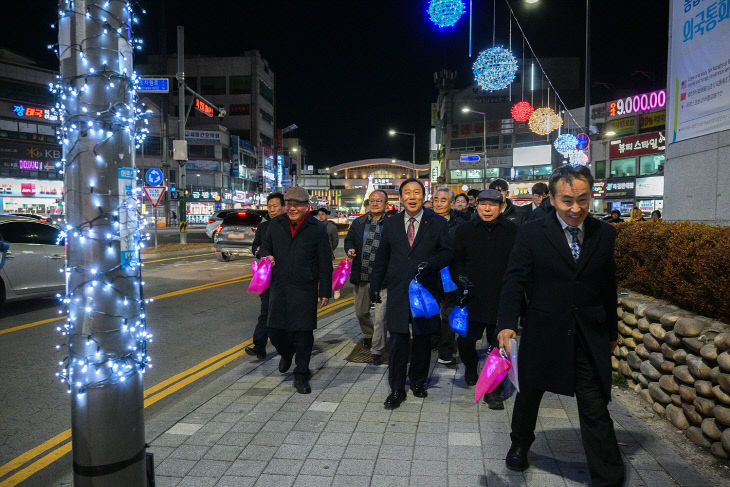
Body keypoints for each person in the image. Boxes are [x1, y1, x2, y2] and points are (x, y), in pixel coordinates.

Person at [496, 165, 624, 485]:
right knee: (529, 395)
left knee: (595, 402)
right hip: (544, 330)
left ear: (591, 196)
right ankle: (520, 444)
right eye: (567, 200)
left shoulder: (604, 233)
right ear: (551, 199)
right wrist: (507, 324)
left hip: (588, 333)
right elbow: (515, 280)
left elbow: (608, 286)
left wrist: (611, 331)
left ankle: (607, 473)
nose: (576, 208)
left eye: (583, 199)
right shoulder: (532, 232)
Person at [370, 178, 453, 409]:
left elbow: (447, 253)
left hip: (425, 290)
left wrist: (430, 264)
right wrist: (375, 286)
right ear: (401, 197)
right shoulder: (390, 223)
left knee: (423, 339)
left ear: (424, 196)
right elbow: (382, 258)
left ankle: (418, 381)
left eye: (417, 192)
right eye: (407, 192)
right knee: (397, 339)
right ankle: (396, 388)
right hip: (397, 290)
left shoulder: (436, 222)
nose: (412, 196)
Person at [260, 187, 333, 394]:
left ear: (306, 207)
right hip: (279, 286)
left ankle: (301, 374)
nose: (292, 208)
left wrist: (324, 291)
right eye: (289, 203)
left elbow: (325, 262)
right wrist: (266, 255)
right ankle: (286, 352)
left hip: (305, 288)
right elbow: (264, 248)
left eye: (297, 204)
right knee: (274, 330)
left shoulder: (317, 228)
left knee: (303, 334)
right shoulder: (275, 225)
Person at [451, 189, 517, 409]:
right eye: (483, 204)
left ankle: (493, 389)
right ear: (476, 205)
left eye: (493, 205)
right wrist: (461, 279)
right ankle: (470, 367)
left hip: (501, 298)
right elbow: (456, 261)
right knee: (466, 340)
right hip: (472, 296)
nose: (487, 209)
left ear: (501, 206)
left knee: (498, 346)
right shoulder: (465, 230)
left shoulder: (513, 231)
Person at [344, 189, 389, 364]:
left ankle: (377, 350)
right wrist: (350, 248)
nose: (375, 203)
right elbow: (349, 240)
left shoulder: (392, 224)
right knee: (361, 312)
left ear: (386, 204)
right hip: (362, 274)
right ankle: (369, 335)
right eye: (372, 200)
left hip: (383, 278)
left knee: (380, 316)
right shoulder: (359, 222)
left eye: (379, 201)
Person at [431, 186, 469, 366]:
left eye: (443, 200)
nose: (438, 204)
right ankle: (433, 342)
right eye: (436, 200)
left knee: (447, 313)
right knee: (429, 312)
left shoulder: (460, 224)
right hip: (429, 274)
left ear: (452, 203)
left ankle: (446, 350)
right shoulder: (425, 220)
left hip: (450, 274)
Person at [246, 192, 285, 360]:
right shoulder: (263, 227)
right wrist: (262, 254)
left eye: (275, 206)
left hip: (286, 278)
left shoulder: (289, 226)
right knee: (265, 312)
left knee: (284, 314)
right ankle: (259, 345)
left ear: (284, 207)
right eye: (269, 207)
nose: (272, 210)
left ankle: (287, 346)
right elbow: (255, 247)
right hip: (268, 277)